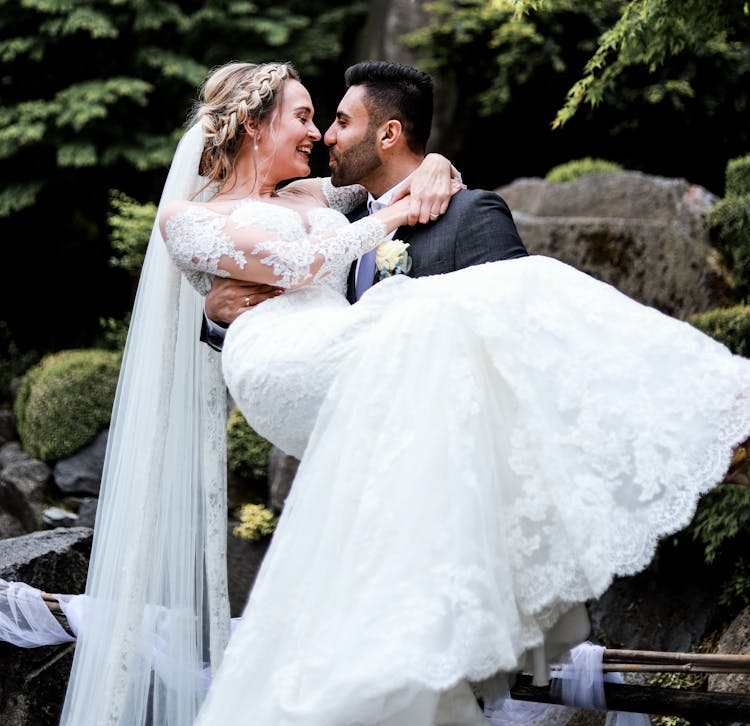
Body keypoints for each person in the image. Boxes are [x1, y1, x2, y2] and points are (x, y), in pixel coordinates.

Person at [62, 58, 750, 726]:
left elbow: (403, 173)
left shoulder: (311, 195)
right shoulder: (188, 215)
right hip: (279, 360)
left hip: (348, 344)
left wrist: (437, 170)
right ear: (252, 123)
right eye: (305, 117)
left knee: (516, 284)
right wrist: (385, 224)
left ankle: (715, 407)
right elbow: (296, 261)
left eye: (323, 119)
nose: (316, 133)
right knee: (435, 311)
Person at [199, 60, 528, 349]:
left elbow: (516, 328)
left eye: (342, 123)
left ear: (388, 135)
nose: (327, 136)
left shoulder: (471, 214)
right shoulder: (335, 219)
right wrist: (217, 318)